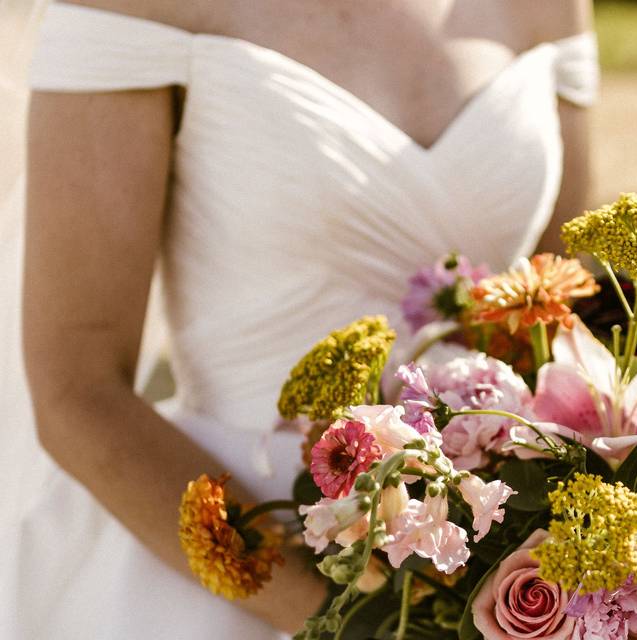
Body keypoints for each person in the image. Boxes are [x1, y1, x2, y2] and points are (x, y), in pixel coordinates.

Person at [7, 0, 598, 637]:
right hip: (239, 557)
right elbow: (77, 388)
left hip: (495, 560)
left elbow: (558, 312)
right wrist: (367, 627)